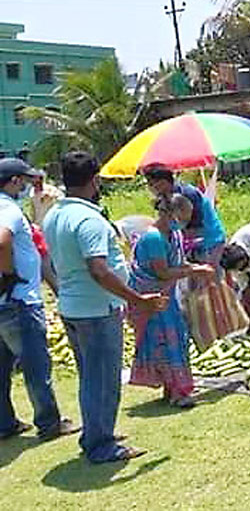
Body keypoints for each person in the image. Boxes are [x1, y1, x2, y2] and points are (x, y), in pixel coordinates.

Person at [44, 151, 167, 463]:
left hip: (74, 307)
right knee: (103, 379)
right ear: (95, 180)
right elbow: (99, 270)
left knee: (91, 377)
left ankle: (96, 434)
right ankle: (101, 444)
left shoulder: (54, 215)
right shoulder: (88, 219)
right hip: (96, 311)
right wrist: (138, 300)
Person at [0, 158, 79, 442]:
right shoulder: (7, 208)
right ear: (14, 182)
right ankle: (49, 422)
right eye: (24, 180)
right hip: (18, 301)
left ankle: (5, 423)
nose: (28, 185)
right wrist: (8, 274)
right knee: (35, 364)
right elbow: (2, 240)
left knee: (2, 367)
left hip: (4, 302)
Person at [128, 194, 214, 408]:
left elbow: (178, 262)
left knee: (177, 339)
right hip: (152, 299)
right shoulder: (153, 238)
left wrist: (194, 267)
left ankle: (172, 388)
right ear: (168, 213)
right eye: (183, 216)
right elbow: (163, 272)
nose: (184, 222)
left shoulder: (173, 234)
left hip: (168, 298)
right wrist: (195, 271)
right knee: (165, 342)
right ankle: (178, 393)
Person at [143, 164, 226, 265]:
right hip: (189, 242)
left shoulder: (187, 194)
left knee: (210, 275)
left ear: (163, 182)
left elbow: (195, 225)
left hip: (210, 239)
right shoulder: (164, 196)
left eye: (152, 184)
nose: (151, 188)